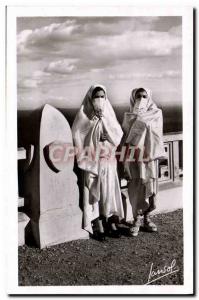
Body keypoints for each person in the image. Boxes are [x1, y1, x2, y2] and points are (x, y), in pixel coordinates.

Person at [72, 84, 124, 241]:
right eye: (96, 96)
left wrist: (108, 136)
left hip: (108, 159)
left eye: (102, 96)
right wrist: (94, 127)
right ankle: (98, 223)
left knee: (109, 190)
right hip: (93, 160)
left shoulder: (109, 113)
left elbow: (118, 132)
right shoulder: (84, 114)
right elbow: (77, 134)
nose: (99, 99)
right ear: (90, 98)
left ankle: (110, 221)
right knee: (96, 191)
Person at [122, 88, 166, 237]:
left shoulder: (156, 113)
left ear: (149, 98)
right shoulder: (128, 117)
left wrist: (142, 121)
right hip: (134, 158)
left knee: (151, 190)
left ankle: (147, 217)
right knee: (136, 189)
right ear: (133, 98)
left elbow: (157, 135)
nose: (141, 99)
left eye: (144, 96)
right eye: (138, 96)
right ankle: (137, 219)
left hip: (149, 157)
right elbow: (125, 140)